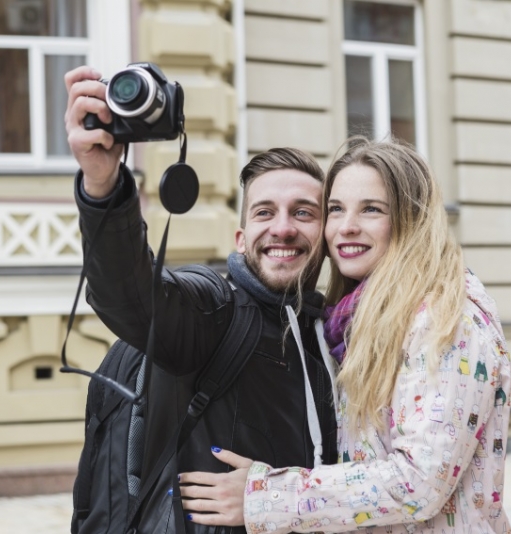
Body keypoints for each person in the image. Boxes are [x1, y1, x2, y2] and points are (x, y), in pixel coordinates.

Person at [179, 138, 511, 534]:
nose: (346, 226)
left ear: (411, 219)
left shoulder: (446, 317)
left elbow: (420, 483)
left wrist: (265, 496)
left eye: (371, 209)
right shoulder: (356, 320)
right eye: (335, 209)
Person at [64, 66, 338, 533]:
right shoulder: (212, 310)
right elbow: (131, 296)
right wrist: (103, 186)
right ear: (240, 237)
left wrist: (271, 493)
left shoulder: (329, 337)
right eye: (265, 212)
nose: (284, 227)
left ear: (327, 234)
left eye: (304, 213)